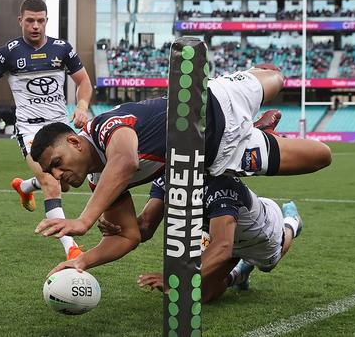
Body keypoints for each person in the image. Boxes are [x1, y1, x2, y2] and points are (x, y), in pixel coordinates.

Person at [31, 64, 331, 269]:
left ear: (74, 142)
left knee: (275, 77)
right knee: (321, 156)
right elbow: (128, 236)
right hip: (222, 154)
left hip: (219, 100)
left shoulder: (104, 126)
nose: (58, 176)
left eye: (57, 163)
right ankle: (259, 133)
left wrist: (84, 220)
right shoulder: (101, 181)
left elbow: (125, 161)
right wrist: (81, 261)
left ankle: (256, 114)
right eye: (51, 171)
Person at [0, 0, 92, 260]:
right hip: (30, 130)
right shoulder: (8, 53)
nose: (36, 26)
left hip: (60, 128)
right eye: (30, 20)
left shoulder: (62, 49)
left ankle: (25, 187)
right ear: (21, 21)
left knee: (66, 183)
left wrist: (82, 105)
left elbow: (83, 81)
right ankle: (71, 249)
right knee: (51, 183)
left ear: (47, 20)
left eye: (41, 20)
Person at [96, 176, 302, 303]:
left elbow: (222, 247)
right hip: (218, 234)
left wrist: (176, 279)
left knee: (268, 265)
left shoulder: (220, 183)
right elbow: (145, 226)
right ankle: (239, 273)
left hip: (259, 236)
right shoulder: (167, 176)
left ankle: (291, 222)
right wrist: (122, 229)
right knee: (202, 296)